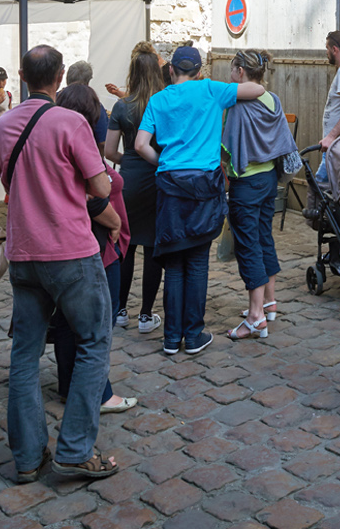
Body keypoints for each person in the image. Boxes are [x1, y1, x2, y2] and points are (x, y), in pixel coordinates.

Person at [0, 45, 118, 483]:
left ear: (22, 74)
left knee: (24, 354)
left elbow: (0, 171)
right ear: (60, 76)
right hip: (69, 249)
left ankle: (27, 457)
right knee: (93, 341)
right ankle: (76, 449)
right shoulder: (71, 121)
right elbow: (99, 185)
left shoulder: (5, 122)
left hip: (23, 250)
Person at [135, 46, 265, 356]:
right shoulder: (211, 89)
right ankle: (192, 336)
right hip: (204, 185)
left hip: (170, 186)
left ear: (170, 71)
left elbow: (141, 145)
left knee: (174, 264)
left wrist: (164, 162)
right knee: (196, 263)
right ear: (199, 70)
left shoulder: (158, 99)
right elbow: (257, 88)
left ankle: (170, 338)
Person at [55, 84, 135, 413]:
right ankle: (100, 393)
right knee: (99, 322)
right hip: (98, 246)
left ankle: (67, 383)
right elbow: (93, 196)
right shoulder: (79, 141)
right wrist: (114, 222)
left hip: (66, 244)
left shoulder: (54, 138)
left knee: (65, 319)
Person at [221, 49, 298, 339]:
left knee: (248, 246)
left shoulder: (239, 105)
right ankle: (269, 302)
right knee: (264, 237)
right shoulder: (272, 100)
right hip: (269, 180)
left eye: (231, 70)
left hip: (246, 184)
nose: (230, 76)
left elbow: (228, 150)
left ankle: (255, 317)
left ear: (240, 71)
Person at [105, 45, 164, 334]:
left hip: (128, 183)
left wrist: (128, 159)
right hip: (158, 181)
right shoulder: (165, 103)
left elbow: (108, 150)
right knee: (153, 248)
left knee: (125, 248)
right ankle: (146, 315)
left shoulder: (121, 106)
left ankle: (119, 310)